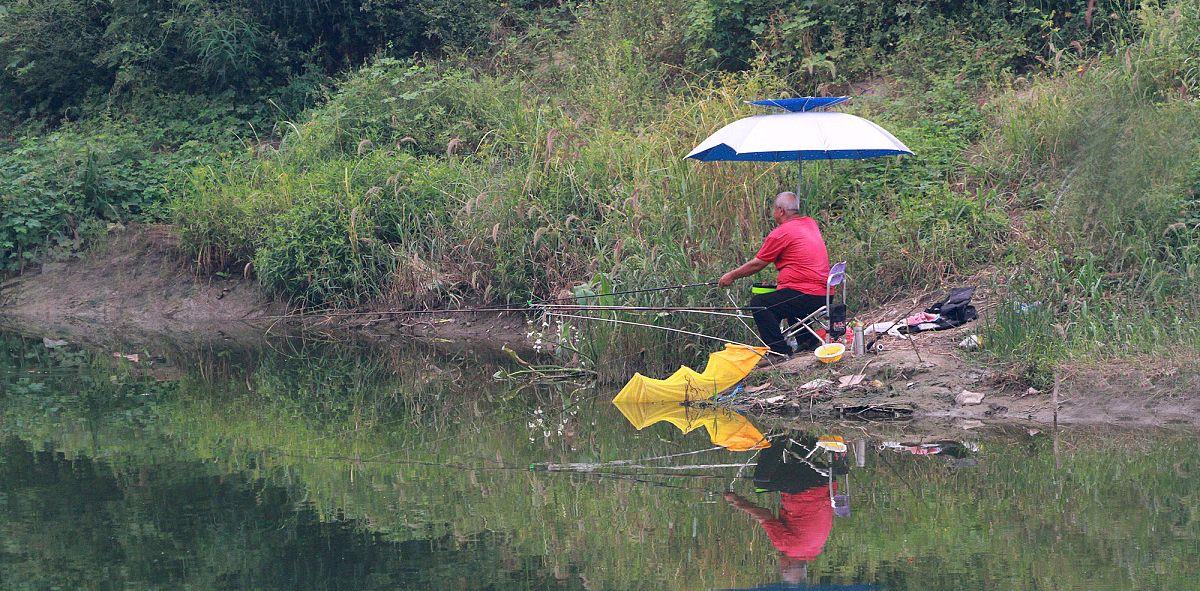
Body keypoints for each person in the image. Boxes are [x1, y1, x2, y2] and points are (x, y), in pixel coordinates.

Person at [718, 191, 830, 363]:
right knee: (784, 295)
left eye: (774, 209)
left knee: (759, 304)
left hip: (809, 295)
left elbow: (758, 264)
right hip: (825, 293)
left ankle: (779, 351)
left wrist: (731, 276)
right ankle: (807, 340)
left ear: (780, 211)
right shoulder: (810, 223)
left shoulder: (782, 232)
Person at [724, 432, 844, 586]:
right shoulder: (788, 547)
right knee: (761, 483)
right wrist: (737, 501)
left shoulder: (815, 549)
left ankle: (804, 433)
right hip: (805, 485)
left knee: (796, 461)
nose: (779, 564)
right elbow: (765, 516)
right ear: (786, 565)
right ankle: (778, 436)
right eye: (781, 568)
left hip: (827, 480)